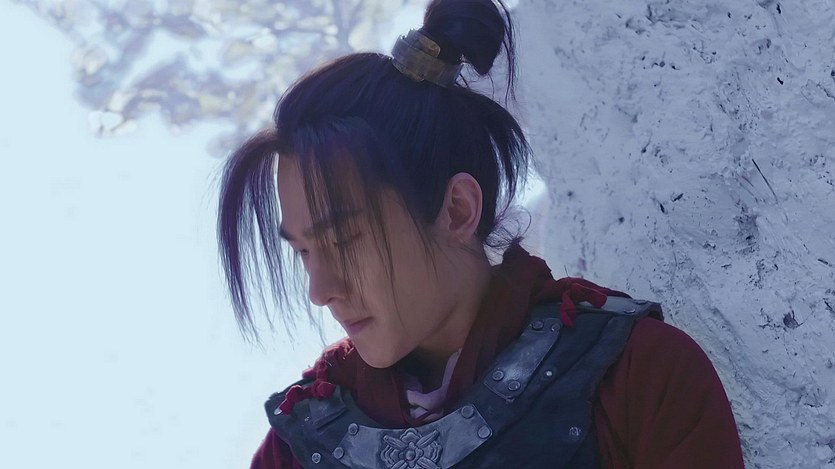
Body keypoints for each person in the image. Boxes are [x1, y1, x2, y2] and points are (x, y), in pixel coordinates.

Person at [217, 0, 745, 467]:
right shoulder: (295, 449)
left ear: (457, 210)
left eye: (344, 240)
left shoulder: (635, 377)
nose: (320, 290)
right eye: (305, 251)